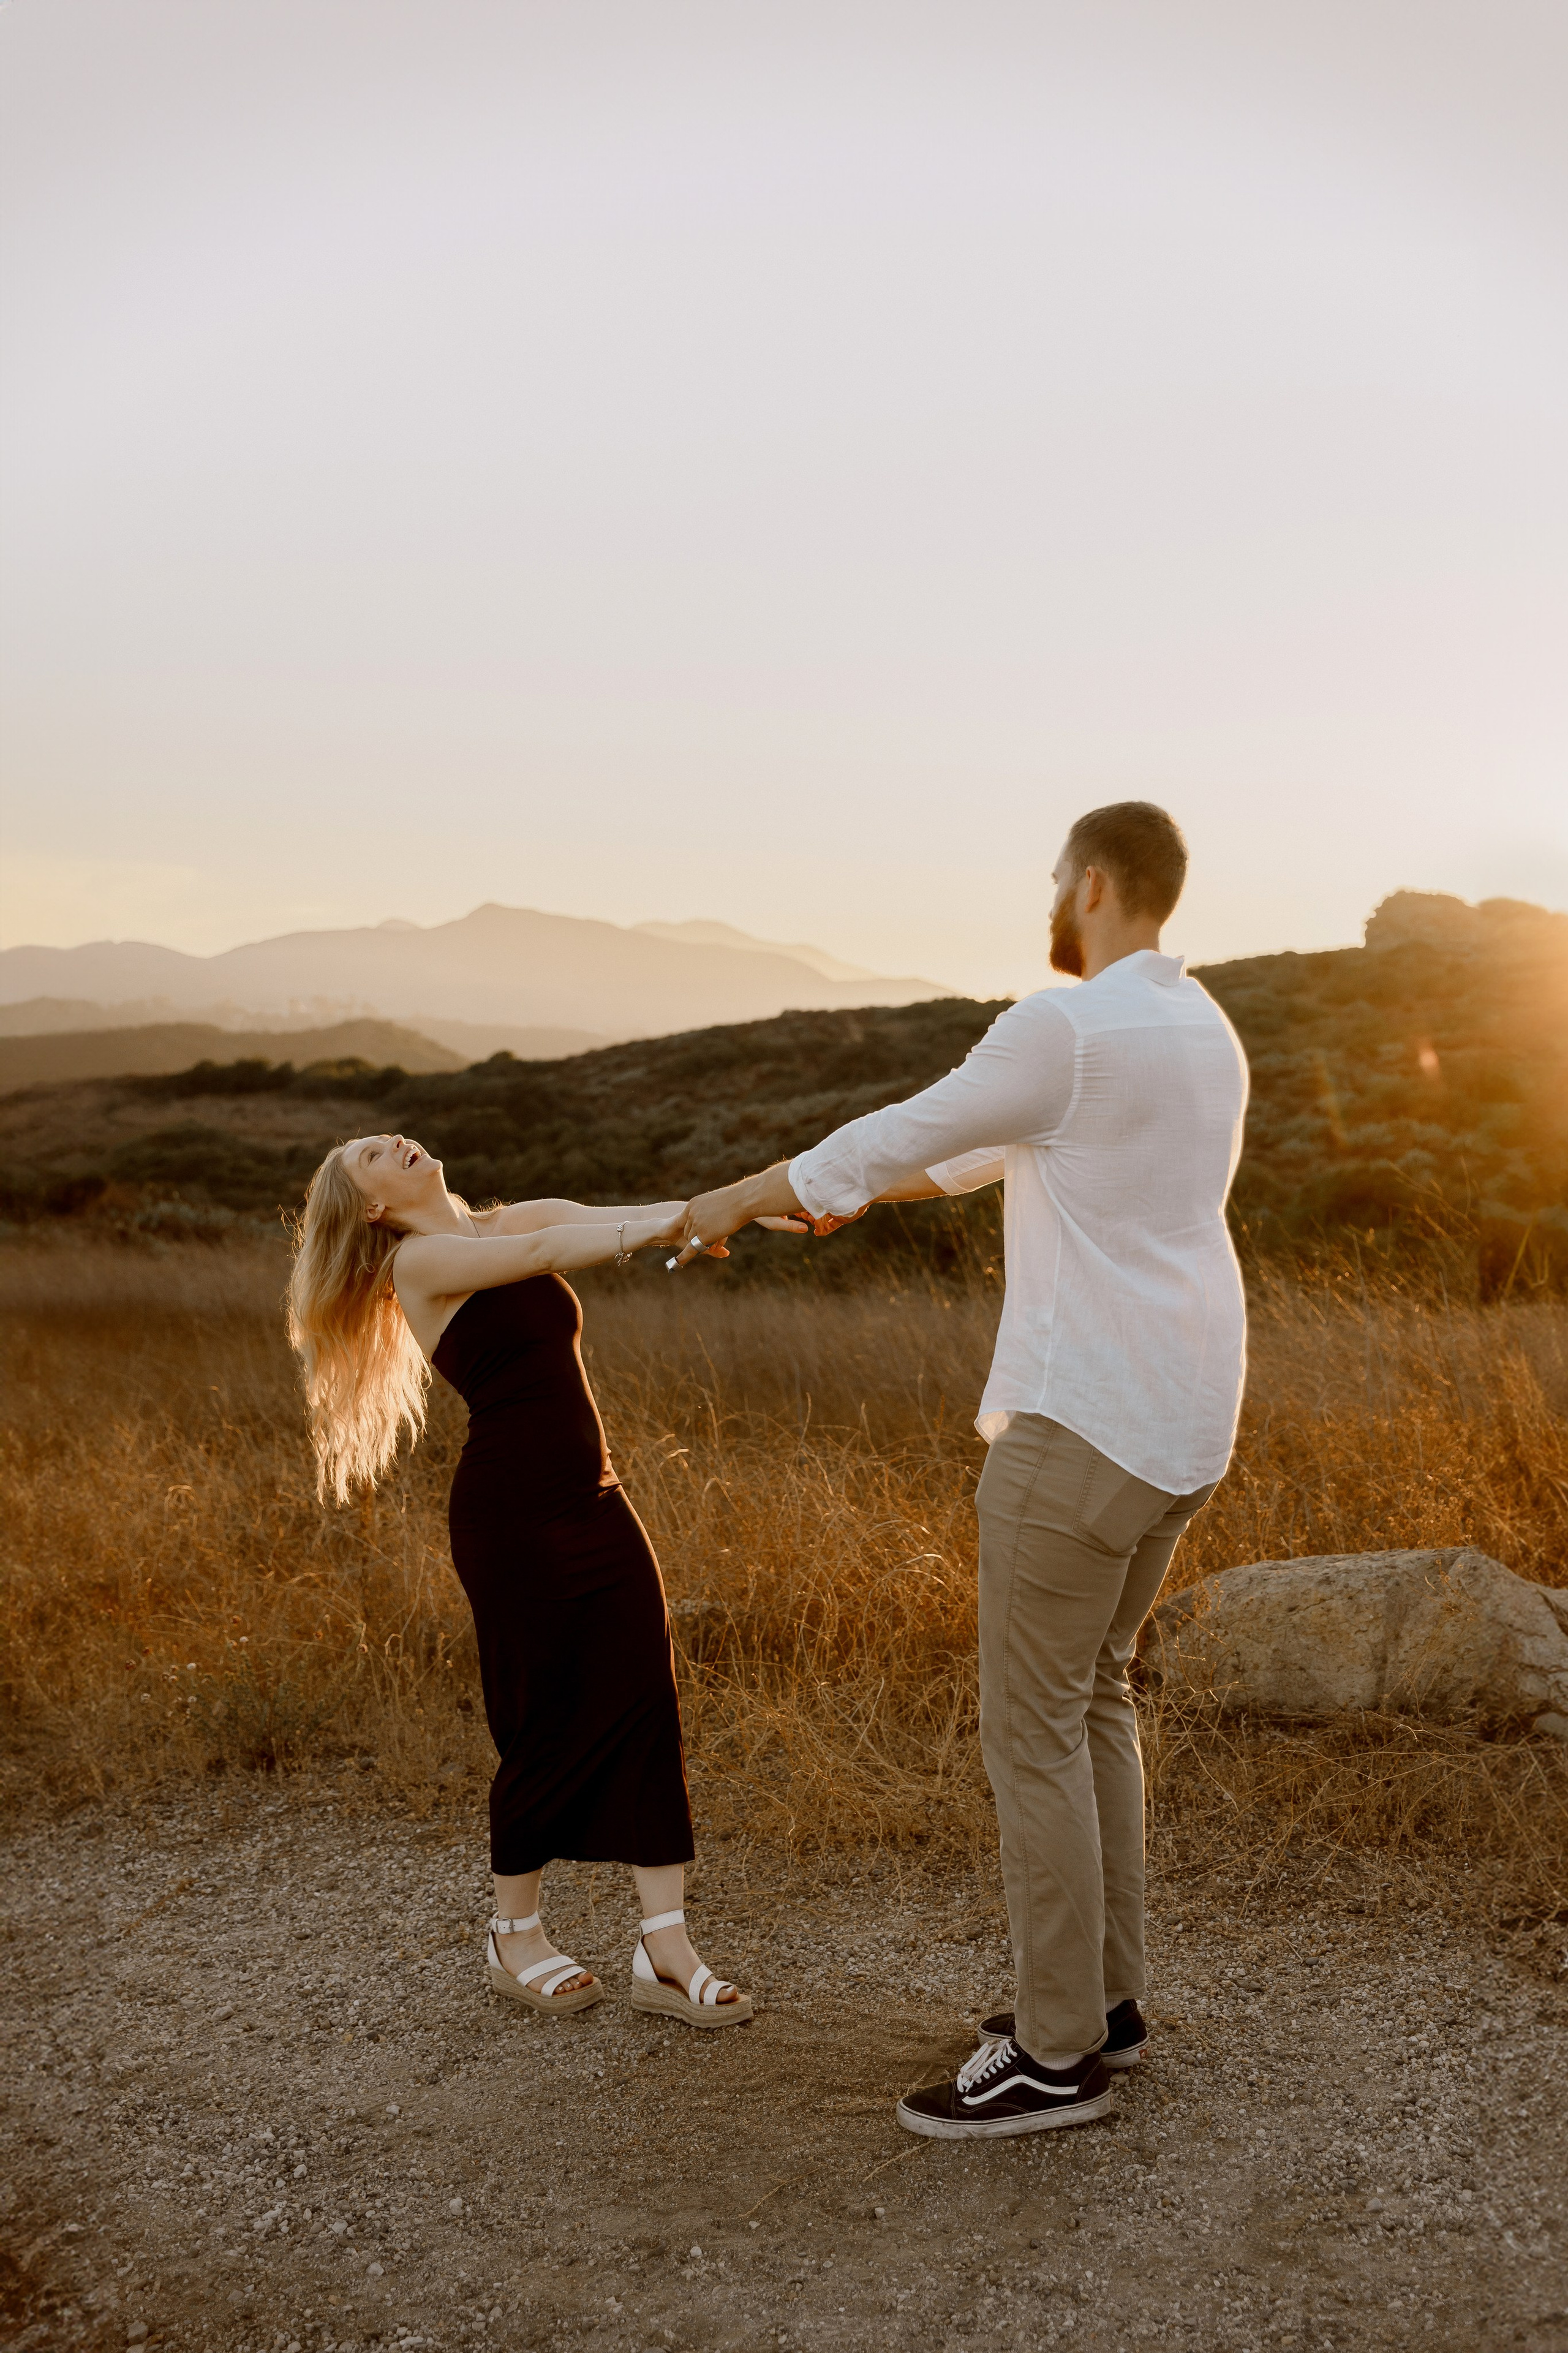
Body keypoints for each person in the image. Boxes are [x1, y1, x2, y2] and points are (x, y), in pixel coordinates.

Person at [674, 802, 1249, 2133]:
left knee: (1031, 1731)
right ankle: (1102, 2004)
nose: (1051, 898)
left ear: (1092, 883)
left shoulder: (1065, 1026)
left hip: (1081, 1423)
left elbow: (894, 1127)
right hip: (1181, 1422)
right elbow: (983, 1153)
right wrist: (840, 1196)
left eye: (1058, 879)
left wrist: (738, 1199)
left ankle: (1054, 2057)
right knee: (1092, 1697)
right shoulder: (1195, 1027)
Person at [286, 1136, 755, 2028]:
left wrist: (743, 1204)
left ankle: (666, 1948)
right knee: (541, 1716)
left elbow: (608, 1219)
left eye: (388, 1133)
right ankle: (515, 1934)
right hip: (510, 1520)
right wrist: (683, 1223)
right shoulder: (421, 1262)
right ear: (375, 1209)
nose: (395, 1140)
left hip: (598, 1499)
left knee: (647, 1700)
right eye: (369, 1156)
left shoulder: (512, 1214)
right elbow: (542, 1258)